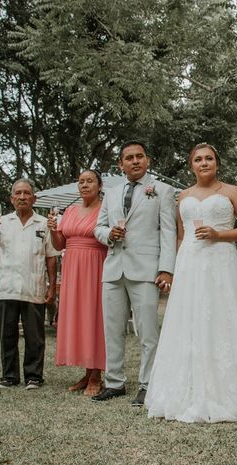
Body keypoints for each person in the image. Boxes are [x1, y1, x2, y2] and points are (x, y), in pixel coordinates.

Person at [146, 143, 237, 422]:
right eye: (198, 159)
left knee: (224, 319)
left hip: (221, 262)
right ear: (191, 165)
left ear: (217, 164)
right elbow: (181, 236)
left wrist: (219, 234)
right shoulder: (183, 195)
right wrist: (172, 270)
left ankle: (233, 391)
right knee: (189, 321)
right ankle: (187, 389)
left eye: (209, 158)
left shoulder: (232, 192)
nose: (204, 163)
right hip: (190, 265)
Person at [93, 140, 176, 406]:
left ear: (148, 160)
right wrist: (109, 234)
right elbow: (98, 227)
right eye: (129, 157)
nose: (135, 161)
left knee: (148, 331)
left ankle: (148, 384)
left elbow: (168, 231)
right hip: (114, 268)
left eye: (140, 156)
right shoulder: (112, 193)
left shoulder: (163, 190)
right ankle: (114, 382)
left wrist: (166, 269)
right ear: (121, 164)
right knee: (112, 330)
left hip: (146, 270)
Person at [0, 178, 59, 390]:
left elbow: (51, 257)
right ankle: (9, 376)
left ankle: (34, 376)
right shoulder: (1, 222)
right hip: (6, 287)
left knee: (35, 336)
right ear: (12, 198)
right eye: (18, 193)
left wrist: (52, 287)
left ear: (34, 198)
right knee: (7, 334)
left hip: (33, 287)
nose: (23, 197)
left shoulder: (44, 223)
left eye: (27, 193)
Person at [47, 170, 107, 396]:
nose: (84, 185)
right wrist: (53, 229)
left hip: (96, 265)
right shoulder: (70, 210)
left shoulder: (106, 209)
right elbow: (60, 244)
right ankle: (86, 372)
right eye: (81, 181)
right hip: (72, 268)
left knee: (95, 318)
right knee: (79, 318)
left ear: (99, 185)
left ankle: (96, 375)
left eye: (89, 181)